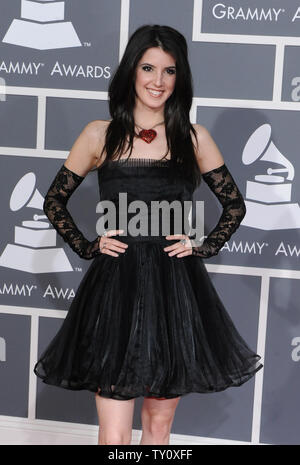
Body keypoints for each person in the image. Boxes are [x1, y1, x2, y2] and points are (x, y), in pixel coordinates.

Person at [34, 24, 263, 446]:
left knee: (158, 430)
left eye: (169, 71)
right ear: (131, 72)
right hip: (115, 287)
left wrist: (203, 245)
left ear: (180, 78)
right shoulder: (98, 134)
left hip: (175, 289)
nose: (158, 81)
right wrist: (88, 245)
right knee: (115, 434)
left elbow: (235, 205)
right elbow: (54, 201)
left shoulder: (194, 138)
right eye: (148, 67)